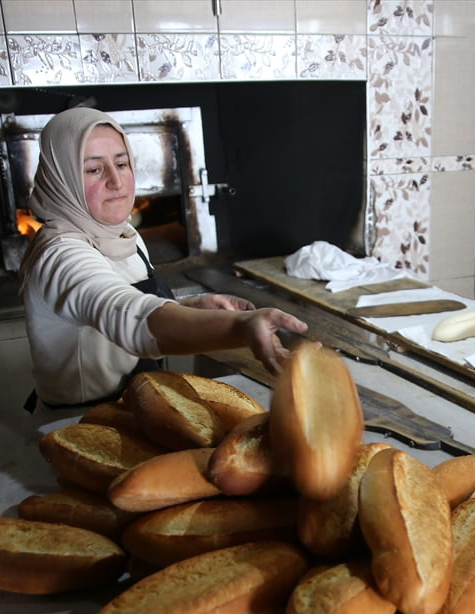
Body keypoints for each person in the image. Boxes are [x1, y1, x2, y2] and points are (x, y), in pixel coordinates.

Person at [19, 106, 307, 409]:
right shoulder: (61, 255)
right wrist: (239, 328)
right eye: (94, 170)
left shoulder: (121, 233)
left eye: (121, 163)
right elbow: (127, 315)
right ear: (61, 178)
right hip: (81, 421)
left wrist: (194, 307)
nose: (117, 181)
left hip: (135, 406)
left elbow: (137, 307)